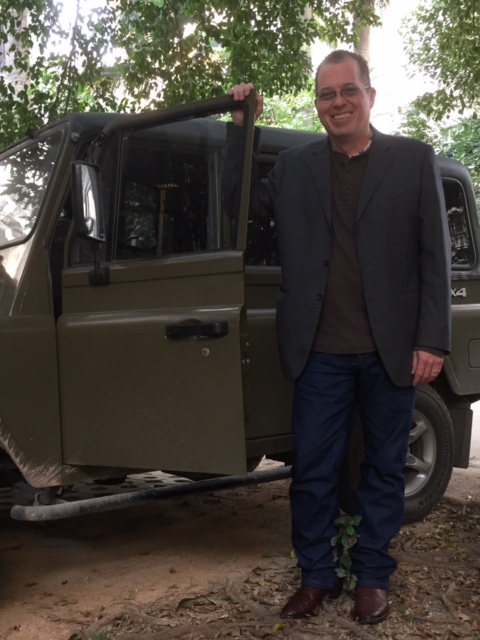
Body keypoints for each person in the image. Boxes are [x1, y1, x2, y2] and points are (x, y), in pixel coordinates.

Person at [229, 49, 451, 625]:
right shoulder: (295, 167)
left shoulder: (412, 159)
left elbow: (435, 256)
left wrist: (433, 340)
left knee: (384, 468)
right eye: (326, 94)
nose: (338, 102)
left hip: (391, 349)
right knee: (314, 470)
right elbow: (239, 207)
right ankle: (317, 575)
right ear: (318, 104)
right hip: (319, 351)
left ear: (369, 96)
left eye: (348, 90)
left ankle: (372, 574)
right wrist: (241, 129)